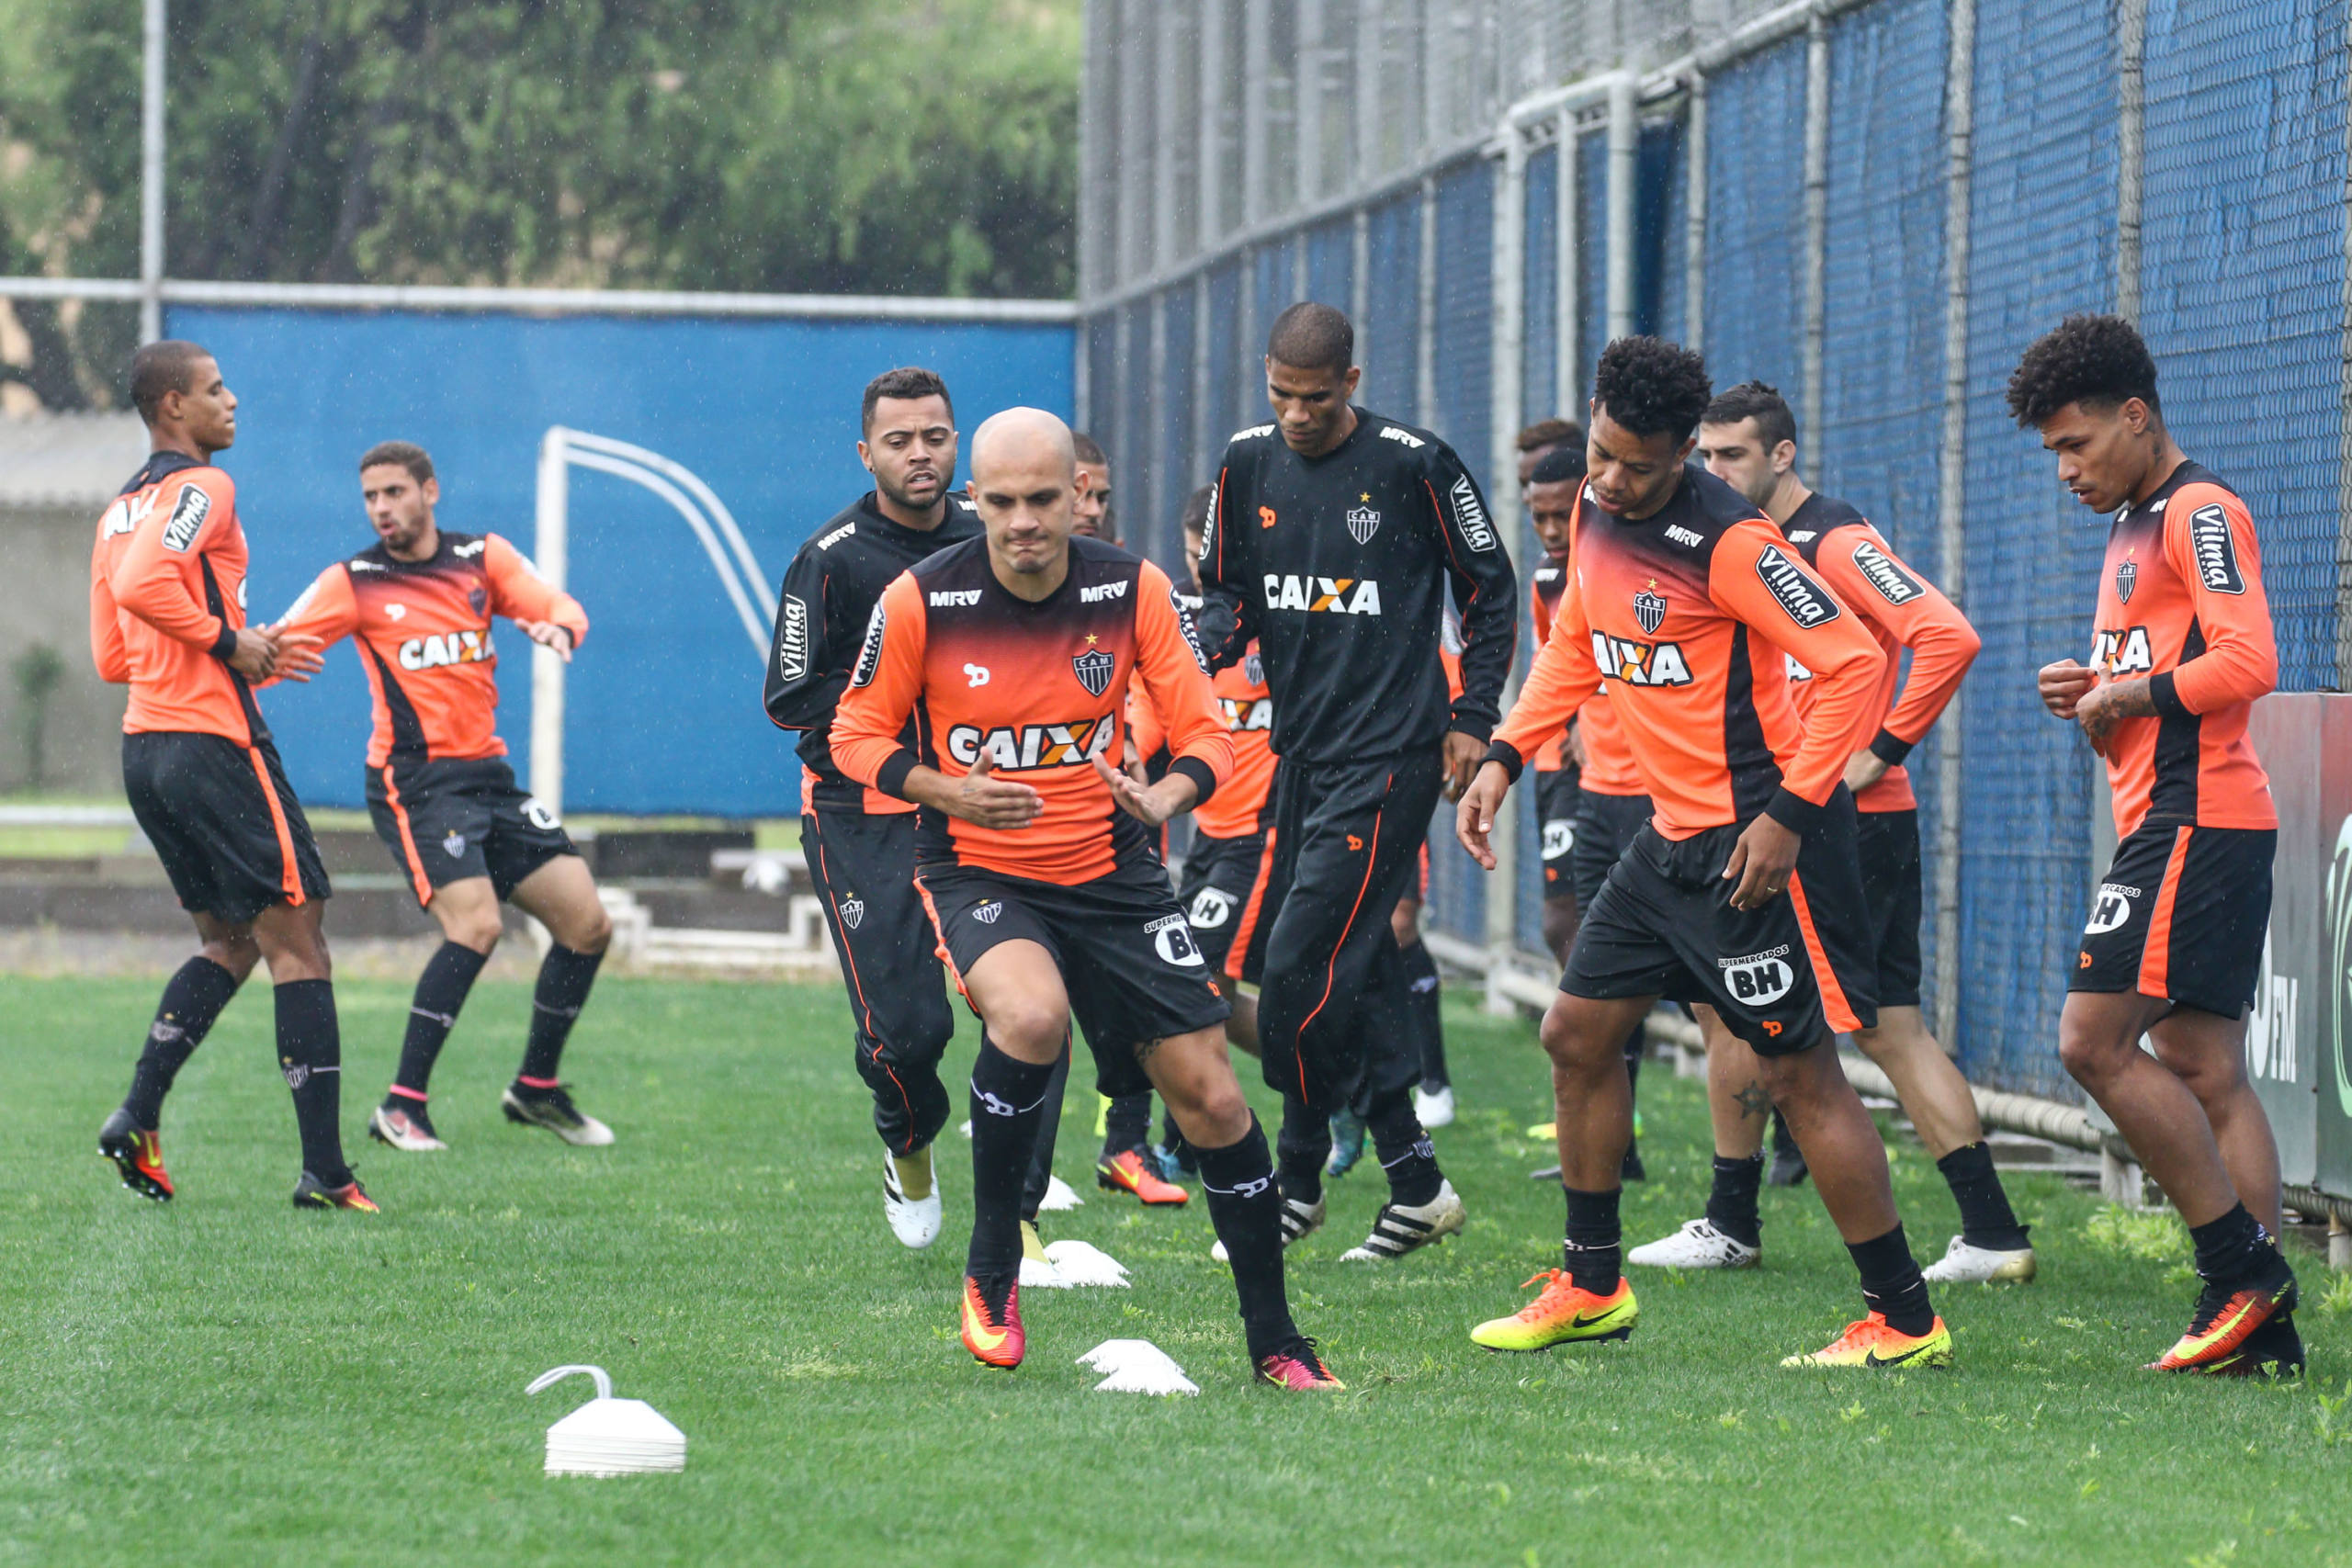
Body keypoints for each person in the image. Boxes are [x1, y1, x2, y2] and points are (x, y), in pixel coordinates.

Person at [1458, 335, 1950, 1369]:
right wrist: (1506, 751)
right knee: (1574, 1035)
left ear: (1685, 452)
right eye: (1602, 453)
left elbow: (1853, 663)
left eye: (1637, 466)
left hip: (1754, 846)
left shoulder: (1731, 541)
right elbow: (1577, 643)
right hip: (1667, 841)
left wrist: (1789, 816)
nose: (1610, 479)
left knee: (1799, 1076)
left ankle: (1906, 1320)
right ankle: (1593, 1286)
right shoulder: (1593, 507)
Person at [831, 406, 1339, 1389]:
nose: (1023, 520)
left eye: (1042, 498)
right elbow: (853, 735)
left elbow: (1206, 731)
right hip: (978, 870)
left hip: (1114, 874)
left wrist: (1167, 795)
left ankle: (1276, 1341)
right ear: (974, 499)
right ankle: (992, 1268)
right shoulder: (920, 598)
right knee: (1031, 1017)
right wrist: (945, 788)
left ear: (1078, 495)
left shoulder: (1131, 587)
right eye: (1001, 502)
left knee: (1214, 1098)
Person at [1622, 381, 2029, 1280]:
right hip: (1796, 819)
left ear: (1783, 455)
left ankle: (1746, 1222)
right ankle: (1984, 1232)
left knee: (1853, 1025)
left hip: (1839, 826)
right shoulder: (1735, 542)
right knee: (1772, 1012)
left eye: (1733, 454)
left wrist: (1879, 751)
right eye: (1705, 454)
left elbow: (1945, 635)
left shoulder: (1830, 538)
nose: (1714, 470)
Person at [1199, 302, 1518, 1263]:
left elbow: (1490, 588)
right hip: (1301, 755)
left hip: (1392, 758)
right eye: (1280, 395)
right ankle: (1416, 1185)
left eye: (1314, 397)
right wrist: (1211, 642)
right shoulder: (1245, 461)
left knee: (1293, 975)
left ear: (1351, 382)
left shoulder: (1416, 464)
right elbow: (1226, 591)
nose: (1296, 415)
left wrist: (1473, 718)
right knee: (1356, 973)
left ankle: (1296, 1178)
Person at [2018, 314, 2299, 1376]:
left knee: (2090, 1042)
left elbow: (2248, 659)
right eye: (2053, 450)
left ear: (2135, 417)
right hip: (2177, 820)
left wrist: (2126, 691)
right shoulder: (2130, 522)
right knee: (2203, 1067)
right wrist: (2094, 688)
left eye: (2076, 443)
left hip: (2197, 819)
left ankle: (2241, 1274)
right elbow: (2154, 677)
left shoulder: (2198, 510)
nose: (2064, 468)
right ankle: (2259, 1333)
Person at [89, 340, 373, 1212]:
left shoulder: (117, 510)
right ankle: (327, 1174)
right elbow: (147, 583)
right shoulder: (204, 487)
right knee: (300, 941)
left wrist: (233, 647)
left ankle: (138, 1112)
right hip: (211, 744)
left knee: (232, 941)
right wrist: (228, 643)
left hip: (147, 749)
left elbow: (112, 656)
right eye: (215, 389)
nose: (233, 400)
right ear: (174, 406)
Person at [274, 441, 615, 1153]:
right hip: (416, 783)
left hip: (489, 778)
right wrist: (220, 652)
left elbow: (553, 602)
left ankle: (536, 1088)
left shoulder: (481, 558)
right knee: (477, 925)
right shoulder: (354, 580)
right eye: (370, 497)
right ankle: (402, 1106)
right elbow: (271, 647)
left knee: (587, 924)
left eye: (394, 492)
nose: (381, 508)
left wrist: (560, 625)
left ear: (430, 491)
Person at [767, 367, 1005, 1252]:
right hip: (861, 811)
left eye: (935, 436)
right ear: (866, 453)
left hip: (981, 802)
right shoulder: (830, 558)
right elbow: (788, 695)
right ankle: (910, 1150)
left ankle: (1016, 1202)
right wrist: (895, 709)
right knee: (909, 1034)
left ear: (957, 442)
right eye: (899, 440)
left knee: (1026, 1003)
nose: (919, 454)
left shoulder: (991, 532)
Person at [1523, 441, 1652, 1186]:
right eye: (1535, 514)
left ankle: (1765, 1151)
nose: (1549, 528)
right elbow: (1558, 663)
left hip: (1650, 787)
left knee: (1697, 986)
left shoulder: (1641, 558)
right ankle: (1614, 1127)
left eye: (1557, 512)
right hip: (1572, 775)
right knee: (1567, 930)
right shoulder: (1551, 578)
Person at [1065, 435, 1188, 1206]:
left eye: (1102, 495)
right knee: (1034, 1002)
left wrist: (1133, 747)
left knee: (1133, 989)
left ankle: (1131, 1144)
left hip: (1123, 820)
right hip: (1027, 830)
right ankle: (1022, 1177)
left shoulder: (1131, 583)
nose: (1090, 507)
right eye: (1076, 492)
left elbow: (1160, 687)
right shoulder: (989, 585)